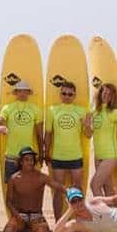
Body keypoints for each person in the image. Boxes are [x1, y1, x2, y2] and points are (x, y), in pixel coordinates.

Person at [44, 81, 92, 220]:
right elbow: (48, 133)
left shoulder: (82, 111)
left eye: (70, 94)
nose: (67, 96)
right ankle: (59, 221)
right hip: (58, 156)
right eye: (64, 93)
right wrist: (46, 152)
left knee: (77, 191)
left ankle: (79, 220)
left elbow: (88, 135)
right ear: (60, 94)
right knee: (58, 192)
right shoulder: (52, 110)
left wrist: (87, 125)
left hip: (75, 156)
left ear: (74, 95)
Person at [2, 147, 65, 232]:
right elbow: (9, 201)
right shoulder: (14, 178)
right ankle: (26, 228)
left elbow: (58, 186)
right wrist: (16, 215)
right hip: (20, 214)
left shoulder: (41, 177)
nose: (30, 162)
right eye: (26, 160)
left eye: (31, 160)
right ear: (21, 162)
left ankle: (29, 229)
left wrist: (72, 192)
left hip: (36, 215)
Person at [0, 81, 43, 184]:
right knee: (11, 188)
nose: (22, 93)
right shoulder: (7, 108)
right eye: (20, 91)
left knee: (28, 188)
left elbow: (39, 134)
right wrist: (0, 128)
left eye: (25, 91)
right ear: (15, 92)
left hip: (28, 157)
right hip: (11, 156)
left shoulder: (36, 109)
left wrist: (41, 154)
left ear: (29, 93)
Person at [90, 83, 117, 196]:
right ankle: (113, 212)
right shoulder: (94, 112)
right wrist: (85, 125)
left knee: (94, 185)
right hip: (98, 155)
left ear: (113, 97)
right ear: (100, 94)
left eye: (110, 94)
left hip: (111, 154)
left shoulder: (114, 112)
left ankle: (101, 213)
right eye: (104, 93)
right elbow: (89, 134)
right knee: (107, 187)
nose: (106, 95)